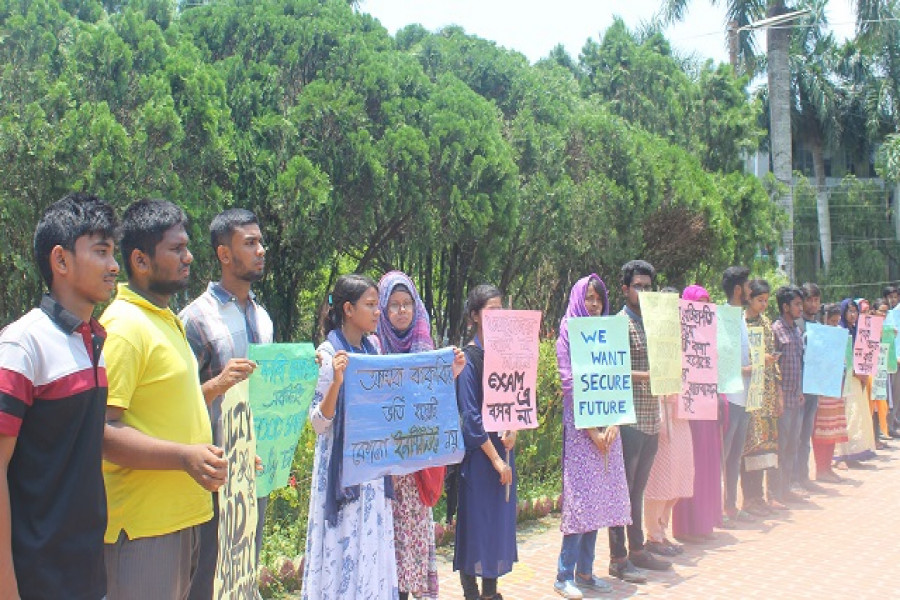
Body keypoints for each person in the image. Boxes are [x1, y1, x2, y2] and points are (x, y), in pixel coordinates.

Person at [101, 199, 227, 599]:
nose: (188, 257)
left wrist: (218, 453)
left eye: (186, 247)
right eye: (176, 249)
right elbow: (102, 431)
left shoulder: (166, 319)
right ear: (140, 259)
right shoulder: (124, 327)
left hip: (183, 518)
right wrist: (184, 457)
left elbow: (172, 412)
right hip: (143, 528)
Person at [0, 194, 118, 600]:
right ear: (61, 261)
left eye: (113, 253)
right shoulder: (22, 345)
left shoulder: (94, 341)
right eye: (101, 252)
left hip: (87, 575)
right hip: (35, 580)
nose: (114, 266)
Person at [180, 208, 273, 600]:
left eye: (260, 242)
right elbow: (176, 405)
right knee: (207, 575)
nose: (260, 250)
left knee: (245, 569)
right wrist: (217, 384)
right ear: (223, 254)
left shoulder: (264, 317)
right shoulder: (195, 319)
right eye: (249, 243)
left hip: (255, 471)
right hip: (213, 475)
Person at [301, 274, 398, 599]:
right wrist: (337, 382)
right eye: (370, 305)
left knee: (369, 548)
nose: (377, 313)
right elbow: (318, 422)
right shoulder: (328, 355)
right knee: (342, 548)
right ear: (347, 308)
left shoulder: (375, 351)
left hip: (371, 476)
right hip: (342, 475)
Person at [375, 271, 465, 600]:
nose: (401, 311)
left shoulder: (425, 349)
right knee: (388, 552)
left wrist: (451, 373)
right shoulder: (372, 351)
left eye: (407, 304)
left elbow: (436, 402)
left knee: (411, 542)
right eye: (394, 305)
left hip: (416, 473)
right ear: (382, 311)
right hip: (382, 474)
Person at [554, 275, 629, 599]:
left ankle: (586, 571)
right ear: (577, 300)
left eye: (598, 298)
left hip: (608, 429)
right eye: (589, 298)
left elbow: (617, 379)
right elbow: (569, 385)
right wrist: (592, 432)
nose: (594, 304)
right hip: (580, 427)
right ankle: (563, 574)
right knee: (581, 501)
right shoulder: (568, 334)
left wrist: (614, 424)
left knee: (600, 498)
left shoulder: (610, 334)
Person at [454, 284, 518, 600]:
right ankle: (470, 590)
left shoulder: (507, 352)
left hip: (504, 448)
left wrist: (514, 430)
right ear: (476, 315)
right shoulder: (467, 358)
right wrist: (495, 460)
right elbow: (470, 416)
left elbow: (518, 399)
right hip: (481, 456)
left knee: (497, 523)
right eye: (491, 310)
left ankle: (491, 590)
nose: (498, 316)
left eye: (501, 309)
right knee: (475, 523)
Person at [609, 260, 670, 580]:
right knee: (623, 490)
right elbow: (612, 370)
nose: (643, 291)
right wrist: (647, 375)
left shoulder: (657, 322)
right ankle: (618, 558)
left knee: (638, 490)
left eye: (648, 286)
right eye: (638, 286)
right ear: (625, 290)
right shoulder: (619, 323)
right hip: (629, 420)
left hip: (652, 417)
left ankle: (637, 550)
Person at [643, 283, 694, 556]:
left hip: (683, 413)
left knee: (679, 477)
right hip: (661, 412)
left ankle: (663, 530)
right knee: (660, 479)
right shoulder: (652, 336)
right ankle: (654, 536)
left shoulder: (687, 336)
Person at [672, 285, 723, 542]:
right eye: (697, 303)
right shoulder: (680, 335)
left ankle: (704, 524)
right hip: (687, 407)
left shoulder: (712, 334)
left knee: (707, 466)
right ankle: (685, 527)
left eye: (706, 303)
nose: (702, 308)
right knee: (688, 466)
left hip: (709, 406)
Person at [741, 279, 783, 515]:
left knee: (765, 446)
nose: (764, 305)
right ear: (749, 298)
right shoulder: (741, 324)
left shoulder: (767, 323)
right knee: (750, 445)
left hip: (765, 391)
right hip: (748, 391)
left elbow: (772, 359)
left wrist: (777, 392)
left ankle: (760, 497)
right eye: (760, 300)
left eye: (766, 300)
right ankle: (748, 497)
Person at [718, 268, 757, 527]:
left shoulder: (740, 317)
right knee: (722, 455)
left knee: (735, 456)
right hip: (728, 398)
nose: (750, 291)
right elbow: (720, 359)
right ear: (737, 289)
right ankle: (718, 509)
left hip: (743, 397)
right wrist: (747, 369)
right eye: (747, 286)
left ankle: (731, 505)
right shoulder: (722, 317)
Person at [770, 285, 806, 504]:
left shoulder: (797, 330)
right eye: (797, 304)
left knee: (793, 445)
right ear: (785, 307)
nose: (800, 308)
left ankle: (786, 488)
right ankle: (774, 492)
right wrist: (778, 396)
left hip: (796, 398)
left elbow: (800, 363)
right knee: (780, 446)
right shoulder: (776, 330)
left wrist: (801, 391)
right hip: (782, 399)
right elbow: (773, 367)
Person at [834, 299, 877, 466]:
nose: (853, 314)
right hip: (847, 380)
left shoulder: (858, 331)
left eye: (855, 311)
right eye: (850, 311)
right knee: (849, 416)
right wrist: (855, 373)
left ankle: (856, 451)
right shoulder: (841, 331)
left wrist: (864, 374)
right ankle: (846, 454)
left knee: (859, 415)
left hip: (858, 379)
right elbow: (842, 359)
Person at [811, 303, 848, 483]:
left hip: (835, 387)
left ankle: (828, 467)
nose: (834, 325)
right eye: (831, 321)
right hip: (821, 389)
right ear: (824, 319)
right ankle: (821, 469)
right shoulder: (817, 335)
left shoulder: (839, 335)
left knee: (833, 428)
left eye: (836, 322)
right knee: (822, 431)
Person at [795, 283, 825, 494]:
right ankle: (791, 480)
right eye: (809, 300)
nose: (813, 304)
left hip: (813, 387)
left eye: (816, 300)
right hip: (797, 388)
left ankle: (803, 476)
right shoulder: (797, 325)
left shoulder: (820, 325)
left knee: (805, 437)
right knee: (794, 436)